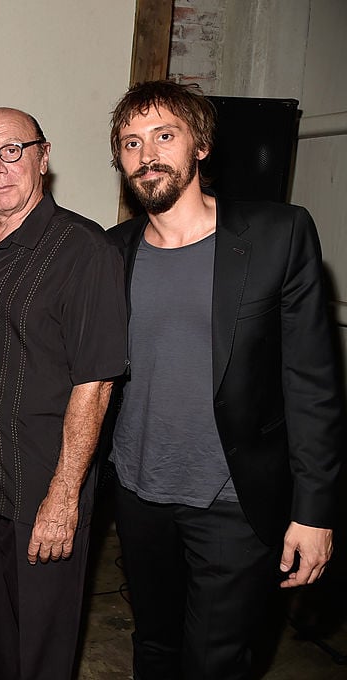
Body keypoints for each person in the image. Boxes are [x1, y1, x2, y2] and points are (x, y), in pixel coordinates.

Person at [107, 80, 344, 680]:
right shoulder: (112, 250)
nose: (147, 154)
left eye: (165, 135)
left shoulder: (277, 235)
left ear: (201, 144)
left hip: (234, 500)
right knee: (154, 646)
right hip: (138, 493)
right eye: (131, 143)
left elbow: (312, 384)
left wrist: (314, 513)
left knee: (215, 663)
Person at [0, 107, 128, 680]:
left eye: (12, 150)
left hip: (42, 490)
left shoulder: (84, 250)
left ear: (43, 157)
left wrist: (64, 496)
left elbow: (95, 384)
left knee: (43, 652)